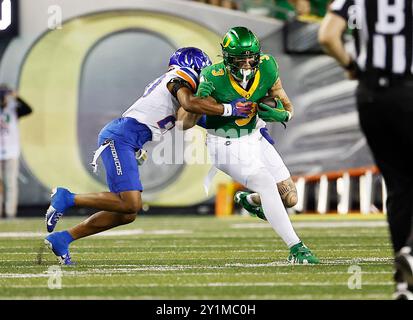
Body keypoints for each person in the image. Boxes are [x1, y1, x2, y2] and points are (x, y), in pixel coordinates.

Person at [44, 47, 253, 265]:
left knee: (127, 213)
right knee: (131, 203)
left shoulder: (187, 90)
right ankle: (67, 197)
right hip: (120, 137)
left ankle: (63, 239)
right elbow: (190, 104)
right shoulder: (180, 76)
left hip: (127, 140)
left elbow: (189, 121)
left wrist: (249, 122)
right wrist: (230, 109)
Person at [179, 27, 319, 264]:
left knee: (290, 198)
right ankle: (297, 248)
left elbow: (287, 107)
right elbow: (187, 119)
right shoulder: (212, 76)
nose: (245, 65)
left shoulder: (267, 66)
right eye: (239, 60)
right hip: (224, 142)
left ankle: (250, 200)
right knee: (265, 181)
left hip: (254, 136)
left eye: (249, 59)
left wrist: (281, 115)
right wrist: (203, 105)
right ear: (226, 58)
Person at [318, 0, 413, 299]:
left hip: (369, 97)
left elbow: (327, 36)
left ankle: (405, 284)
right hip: (408, 92)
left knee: (398, 186)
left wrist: (350, 65)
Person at [0, 84, 32, 218]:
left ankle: (10, 212)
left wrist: (17, 97)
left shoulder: (13, 109)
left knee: (10, 183)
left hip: (11, 151)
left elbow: (28, 109)